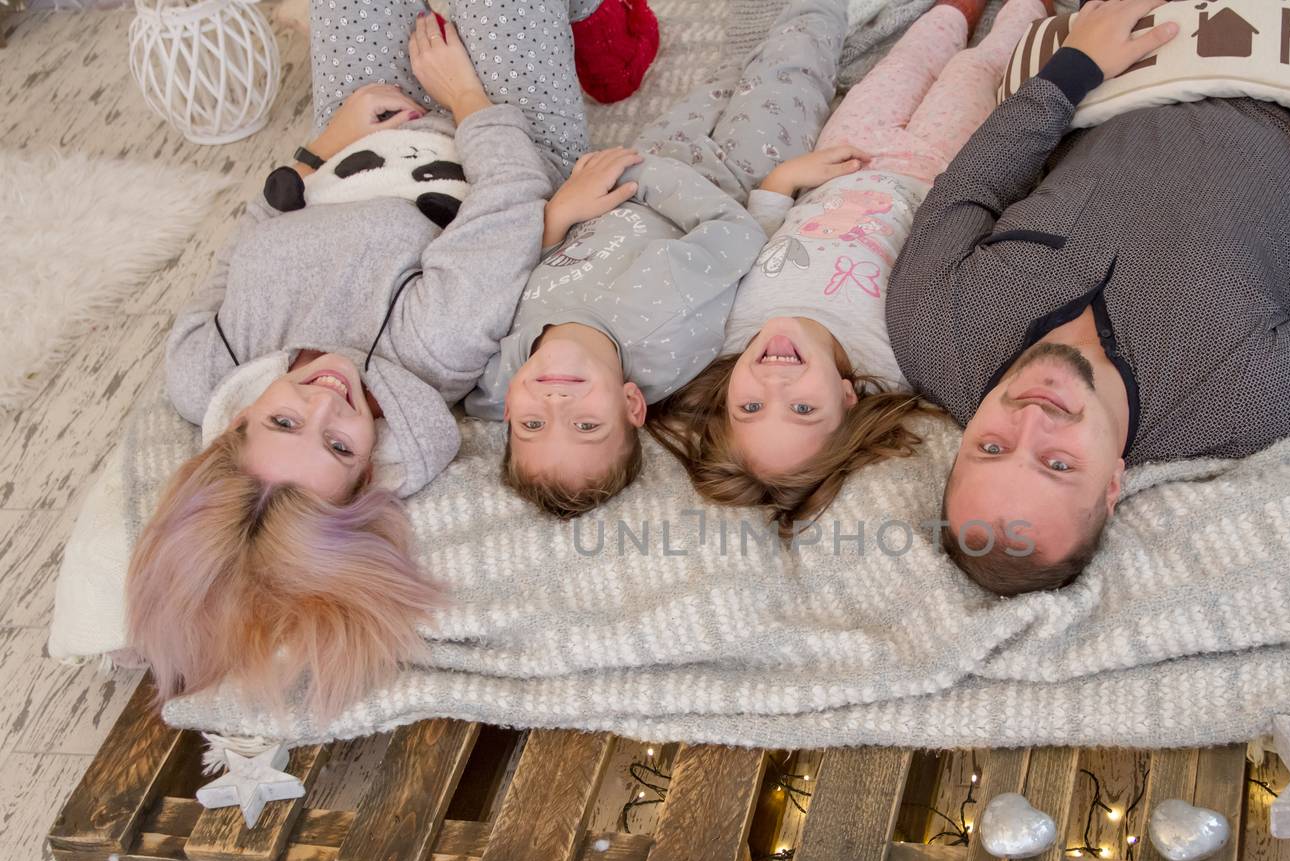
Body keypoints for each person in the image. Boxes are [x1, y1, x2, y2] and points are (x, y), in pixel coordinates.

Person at [886, 0, 1290, 596]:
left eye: (992, 446)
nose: (1032, 418)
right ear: (1112, 487)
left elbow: (973, 185)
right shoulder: (1233, 399)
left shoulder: (930, 324)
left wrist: (1074, 67)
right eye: (1058, 464)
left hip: (1159, 46)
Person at [127, 0, 588, 720]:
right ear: (369, 470)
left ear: (241, 417)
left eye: (283, 419)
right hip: (501, 135)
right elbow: (512, 198)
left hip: (354, 142)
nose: (326, 398)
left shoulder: (206, 363)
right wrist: (463, 92)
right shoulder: (431, 345)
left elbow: (245, 242)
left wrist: (320, 145)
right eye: (339, 443)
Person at [650, 0, 1046, 534]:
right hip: (935, 168)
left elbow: (753, 236)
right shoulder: (894, 358)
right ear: (847, 397)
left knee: (905, 63)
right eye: (803, 410)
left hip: (843, 157)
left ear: (725, 397)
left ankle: (957, 9)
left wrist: (786, 180)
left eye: (750, 407)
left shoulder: (728, 331)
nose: (775, 384)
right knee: (977, 71)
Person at [467, 0, 852, 519]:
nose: (557, 406)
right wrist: (637, 175)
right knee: (793, 62)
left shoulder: (495, 374)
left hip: (650, 158)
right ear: (631, 405)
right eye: (588, 426)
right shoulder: (665, 330)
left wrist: (560, 215)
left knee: (723, 76)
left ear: (509, 410)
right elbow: (734, 236)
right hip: (733, 173)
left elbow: (490, 283)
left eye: (533, 425)